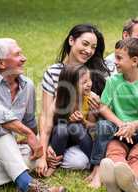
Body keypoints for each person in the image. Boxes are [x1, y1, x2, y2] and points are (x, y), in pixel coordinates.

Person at [0, 38, 65, 192]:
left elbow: (30, 122)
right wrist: (28, 134)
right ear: (1, 63)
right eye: (18, 54)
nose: (24, 58)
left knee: (32, 155)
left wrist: (40, 146)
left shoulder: (27, 85)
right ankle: (27, 185)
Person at [87, 38, 138, 192]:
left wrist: (134, 125)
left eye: (119, 58)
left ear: (134, 61)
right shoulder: (112, 81)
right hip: (118, 129)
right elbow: (103, 107)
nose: (115, 62)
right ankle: (97, 169)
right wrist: (122, 124)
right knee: (103, 126)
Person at [38, 24, 110, 176]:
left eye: (93, 47)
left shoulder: (95, 76)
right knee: (61, 132)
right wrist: (43, 153)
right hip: (56, 133)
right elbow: (46, 116)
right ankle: (53, 156)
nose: (89, 50)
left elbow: (97, 126)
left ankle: (64, 158)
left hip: (83, 135)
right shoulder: (54, 72)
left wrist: (96, 110)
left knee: (80, 162)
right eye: (85, 44)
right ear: (71, 40)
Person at [45, 65, 96, 176]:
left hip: (80, 139)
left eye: (90, 79)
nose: (89, 84)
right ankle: (54, 164)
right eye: (84, 82)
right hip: (59, 137)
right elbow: (48, 126)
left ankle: (93, 164)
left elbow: (94, 127)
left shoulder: (91, 99)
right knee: (62, 127)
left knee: (75, 127)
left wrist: (83, 121)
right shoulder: (60, 100)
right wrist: (47, 146)